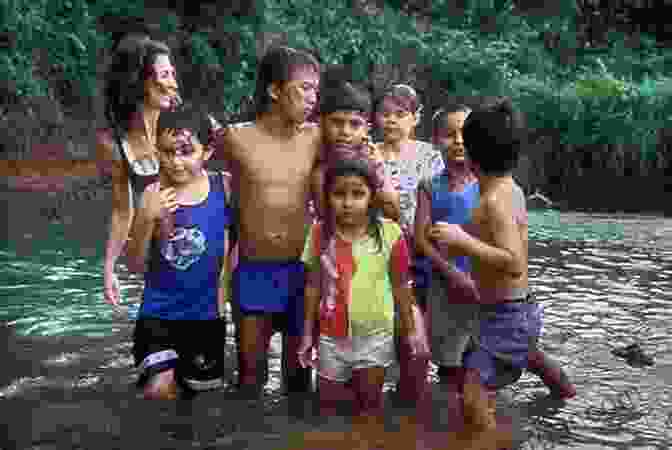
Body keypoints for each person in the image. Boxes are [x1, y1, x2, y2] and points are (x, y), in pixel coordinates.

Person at [427, 99, 576, 409]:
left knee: (473, 393)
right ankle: (566, 400)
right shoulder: (511, 188)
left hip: (506, 314)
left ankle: (487, 438)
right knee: (528, 356)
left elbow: (514, 262)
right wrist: (462, 237)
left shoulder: (494, 201)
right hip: (509, 310)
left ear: (470, 154)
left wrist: (462, 240)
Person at [211, 46, 321, 397]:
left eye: (315, 90)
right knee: (249, 379)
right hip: (254, 269)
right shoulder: (235, 137)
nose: (312, 98)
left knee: (299, 380)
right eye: (303, 88)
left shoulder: (317, 137)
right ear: (274, 90)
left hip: (302, 272)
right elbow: (199, 179)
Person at [298, 159, 428, 417]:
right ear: (327, 197)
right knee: (326, 409)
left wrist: (412, 332)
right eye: (339, 194)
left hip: (375, 336)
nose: (347, 203)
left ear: (372, 197)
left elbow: (402, 287)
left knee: (369, 409)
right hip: (330, 336)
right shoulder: (319, 232)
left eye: (358, 194)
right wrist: (306, 336)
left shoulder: (390, 233)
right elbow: (312, 287)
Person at [125, 106, 233, 399]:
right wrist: (146, 217)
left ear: (207, 151)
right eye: (167, 152)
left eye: (186, 151)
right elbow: (133, 265)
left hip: (206, 317)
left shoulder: (224, 186)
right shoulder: (152, 194)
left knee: (200, 402)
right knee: (159, 390)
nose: (175, 162)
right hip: (158, 313)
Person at [374, 84, 444, 404]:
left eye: (399, 114)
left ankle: (410, 396)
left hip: (417, 251)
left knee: (413, 328)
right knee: (375, 326)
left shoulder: (429, 155)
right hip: (374, 250)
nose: (391, 121)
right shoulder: (369, 152)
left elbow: (439, 202)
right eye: (385, 114)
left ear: (416, 118)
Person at [415, 104, 480, 400]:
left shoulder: (488, 185)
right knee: (448, 364)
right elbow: (421, 239)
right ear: (435, 141)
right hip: (443, 286)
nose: (458, 141)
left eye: (465, 134)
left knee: (481, 361)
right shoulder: (429, 186)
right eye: (448, 135)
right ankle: (445, 422)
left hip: (483, 285)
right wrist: (451, 272)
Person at [311, 68, 399, 222]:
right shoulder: (320, 169)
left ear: (367, 129)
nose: (345, 131)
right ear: (322, 123)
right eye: (337, 122)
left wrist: (377, 168)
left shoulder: (373, 161)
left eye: (355, 124)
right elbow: (325, 221)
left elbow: (394, 212)